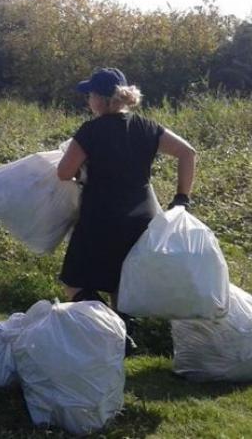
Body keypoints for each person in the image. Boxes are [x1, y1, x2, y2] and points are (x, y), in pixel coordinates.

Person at [57, 67, 196, 352]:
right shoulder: (147, 127)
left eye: (90, 95)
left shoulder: (91, 131)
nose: (88, 101)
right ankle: (123, 336)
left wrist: (79, 174)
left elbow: (63, 172)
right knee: (122, 282)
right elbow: (188, 153)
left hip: (101, 217)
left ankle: (106, 332)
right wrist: (182, 197)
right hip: (142, 217)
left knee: (73, 280)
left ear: (102, 98)